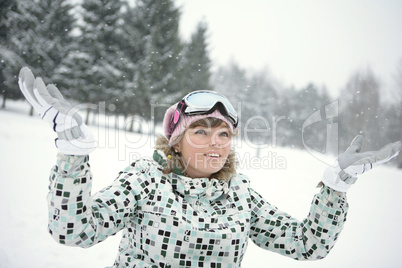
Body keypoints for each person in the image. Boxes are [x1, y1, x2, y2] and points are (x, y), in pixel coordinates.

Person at [18, 66, 401, 267]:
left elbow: (308, 245)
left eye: (224, 134)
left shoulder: (240, 195)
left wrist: (336, 186)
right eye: (200, 131)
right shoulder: (145, 181)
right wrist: (73, 152)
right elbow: (74, 231)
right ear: (177, 139)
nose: (215, 144)